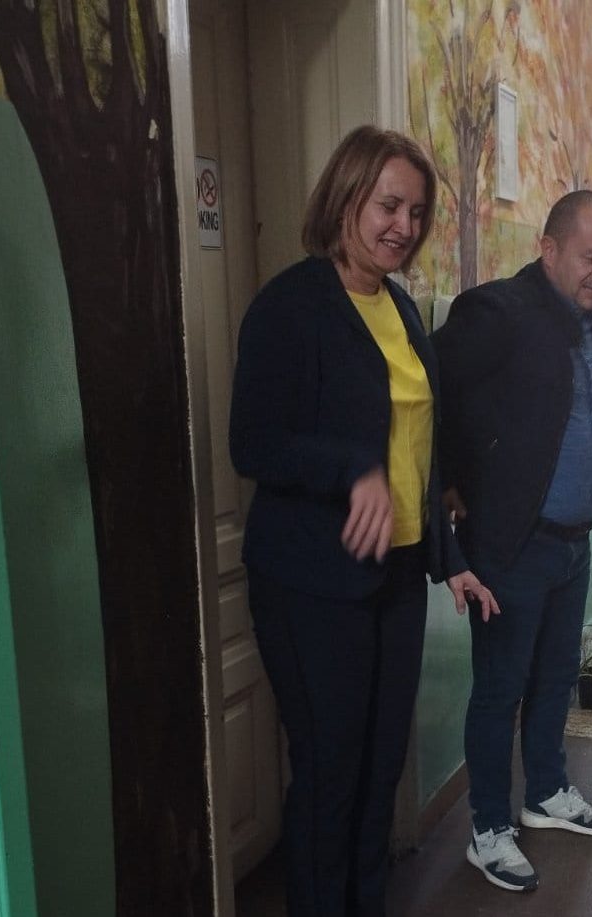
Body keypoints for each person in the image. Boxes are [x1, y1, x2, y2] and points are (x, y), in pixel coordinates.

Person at [229, 125, 499, 917]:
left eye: (415, 212)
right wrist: (352, 469)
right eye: (388, 205)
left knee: (381, 769)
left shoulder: (401, 309)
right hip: (312, 581)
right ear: (345, 197)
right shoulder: (291, 305)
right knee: (330, 771)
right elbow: (253, 442)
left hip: (397, 576)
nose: (403, 226)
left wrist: (450, 555)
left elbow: (419, 451)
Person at [432, 190, 592, 893]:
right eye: (590, 256)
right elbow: (431, 389)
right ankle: (488, 828)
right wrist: (449, 479)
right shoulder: (499, 312)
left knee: (554, 677)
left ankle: (545, 793)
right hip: (512, 543)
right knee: (500, 689)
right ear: (548, 249)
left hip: (572, 542)